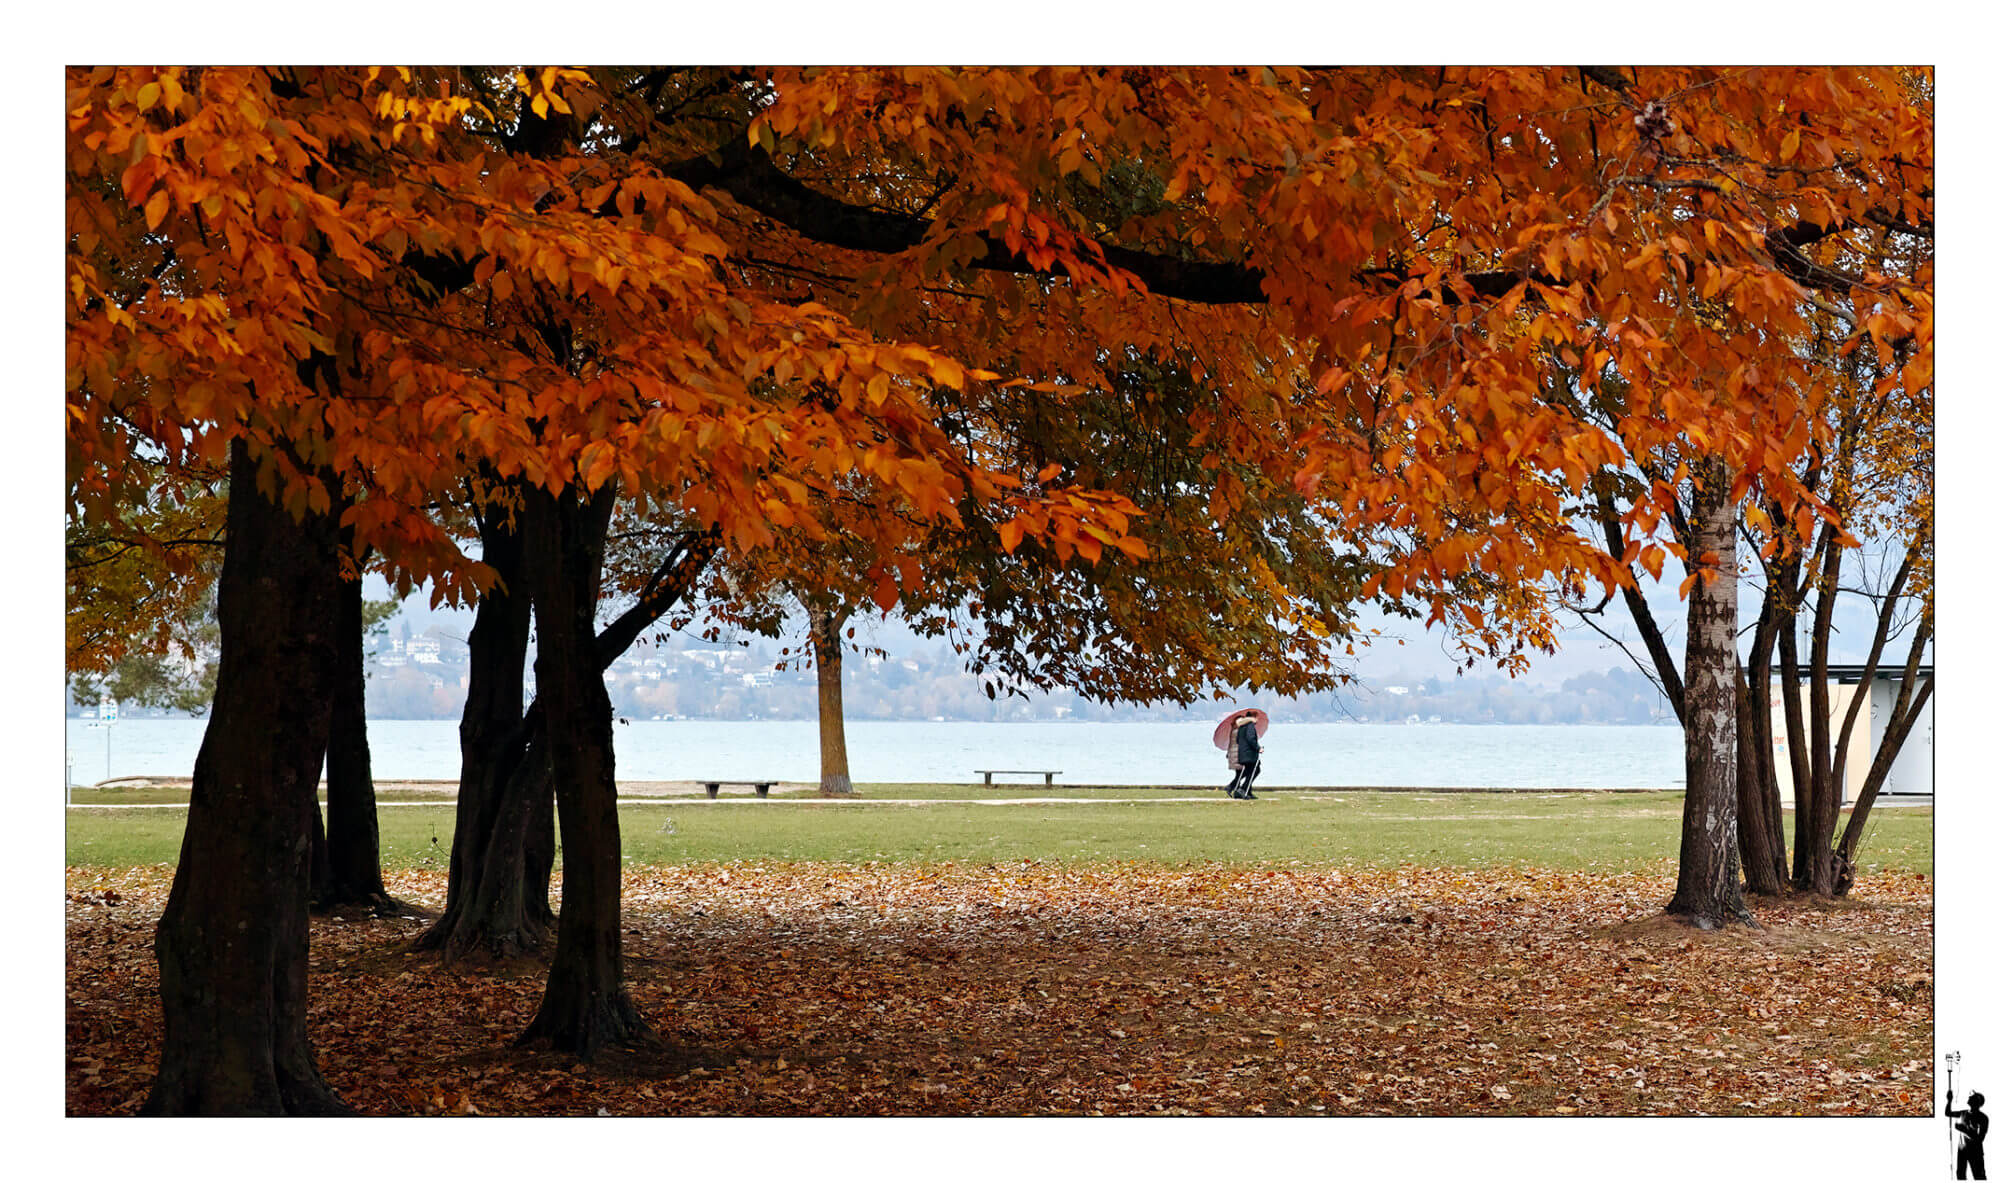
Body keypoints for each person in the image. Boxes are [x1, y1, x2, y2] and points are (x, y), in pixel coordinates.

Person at [1949, 1090, 1989, 1179]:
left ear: (1977, 1102)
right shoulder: (1963, 1113)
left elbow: (1979, 1139)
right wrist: (1949, 1100)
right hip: (1962, 1151)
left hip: (1975, 1152)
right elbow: (1948, 1113)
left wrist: (1963, 1130)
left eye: (1972, 1097)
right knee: (1960, 1175)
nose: (1969, 1097)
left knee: (1979, 1176)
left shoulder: (1983, 1118)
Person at [1225, 716, 1261, 800]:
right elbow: (1244, 741)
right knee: (1246, 772)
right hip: (1238, 753)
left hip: (1234, 753)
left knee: (1243, 772)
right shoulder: (1239, 729)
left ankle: (1243, 791)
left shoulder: (1234, 729)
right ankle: (1233, 787)